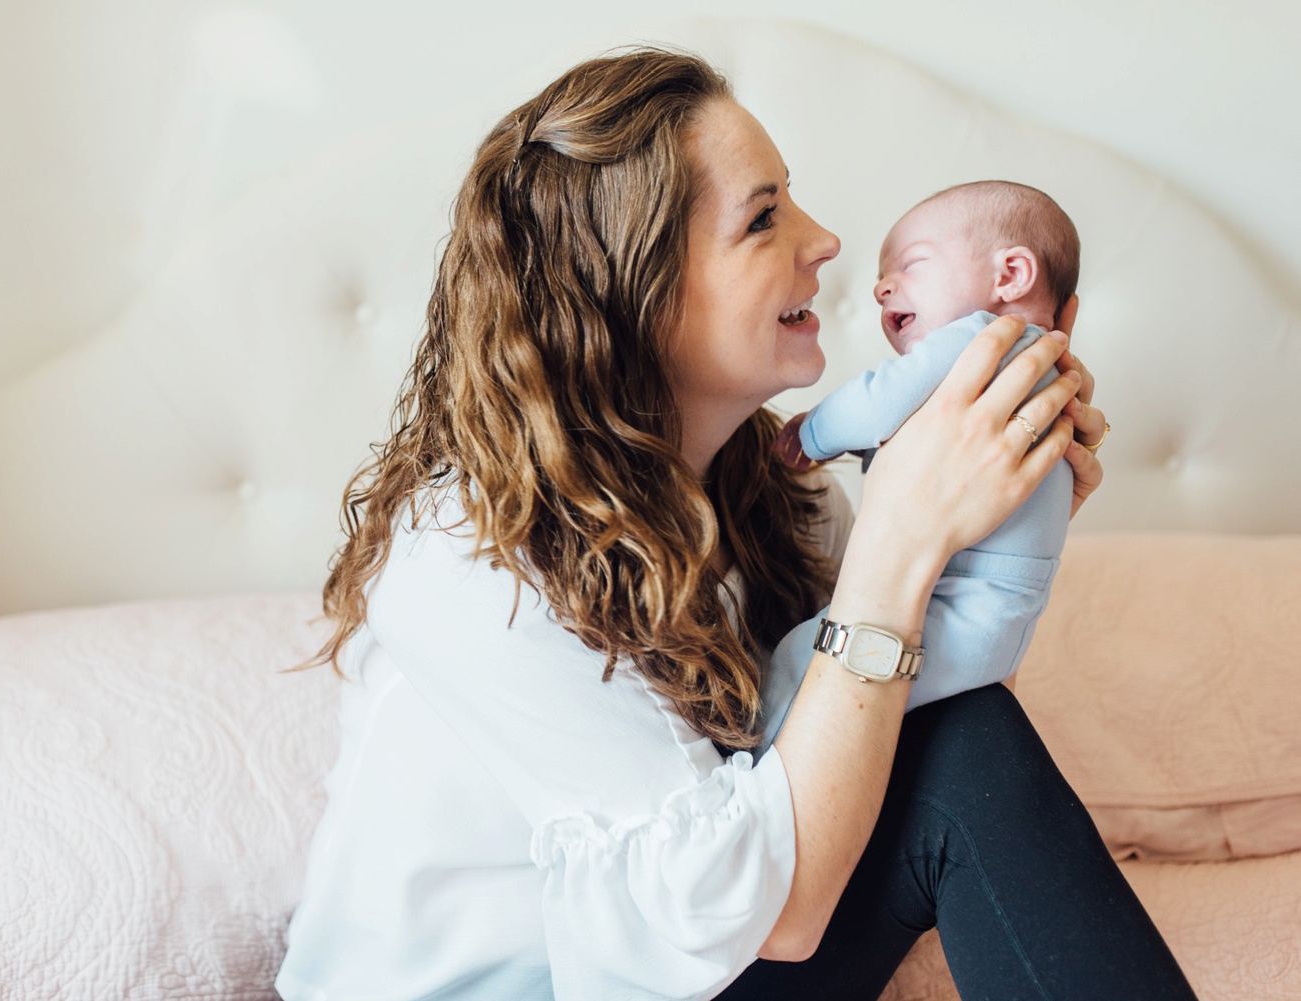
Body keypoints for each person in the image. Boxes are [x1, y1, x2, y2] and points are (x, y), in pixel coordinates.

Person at [275, 48, 1196, 1001]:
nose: (828, 238)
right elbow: (763, 913)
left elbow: (880, 707)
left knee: (961, 735)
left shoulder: (776, 489)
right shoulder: (468, 553)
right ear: (634, 291)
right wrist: (901, 543)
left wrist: (998, 523)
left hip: (706, 956)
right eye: (763, 218)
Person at [775, 182, 1094, 714]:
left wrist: (815, 432)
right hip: (996, 617)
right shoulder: (1039, 368)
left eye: (910, 265)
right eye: (881, 278)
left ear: (1010, 275)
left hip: (957, 599)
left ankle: (756, 756)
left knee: (797, 665)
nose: (882, 288)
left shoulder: (985, 336)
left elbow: (880, 402)